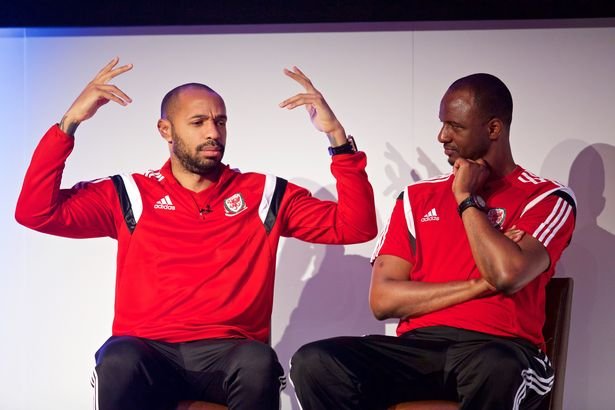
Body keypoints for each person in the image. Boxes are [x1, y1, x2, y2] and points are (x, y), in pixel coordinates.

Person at [14, 57, 377, 410]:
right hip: (147, 352)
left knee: (257, 360)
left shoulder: (263, 194)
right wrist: (69, 124)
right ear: (165, 130)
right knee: (118, 356)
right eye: (198, 122)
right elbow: (36, 212)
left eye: (220, 122)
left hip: (229, 353)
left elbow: (356, 227)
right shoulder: (131, 194)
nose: (212, 133)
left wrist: (337, 138)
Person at [290, 73, 576, 410]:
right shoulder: (416, 197)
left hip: (502, 349)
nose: (442, 136)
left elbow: (506, 274)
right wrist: (481, 285)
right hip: (418, 349)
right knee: (316, 362)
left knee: (496, 368)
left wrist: (465, 197)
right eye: (442, 124)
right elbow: (383, 300)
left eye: (455, 126)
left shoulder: (546, 197)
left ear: (494, 129)